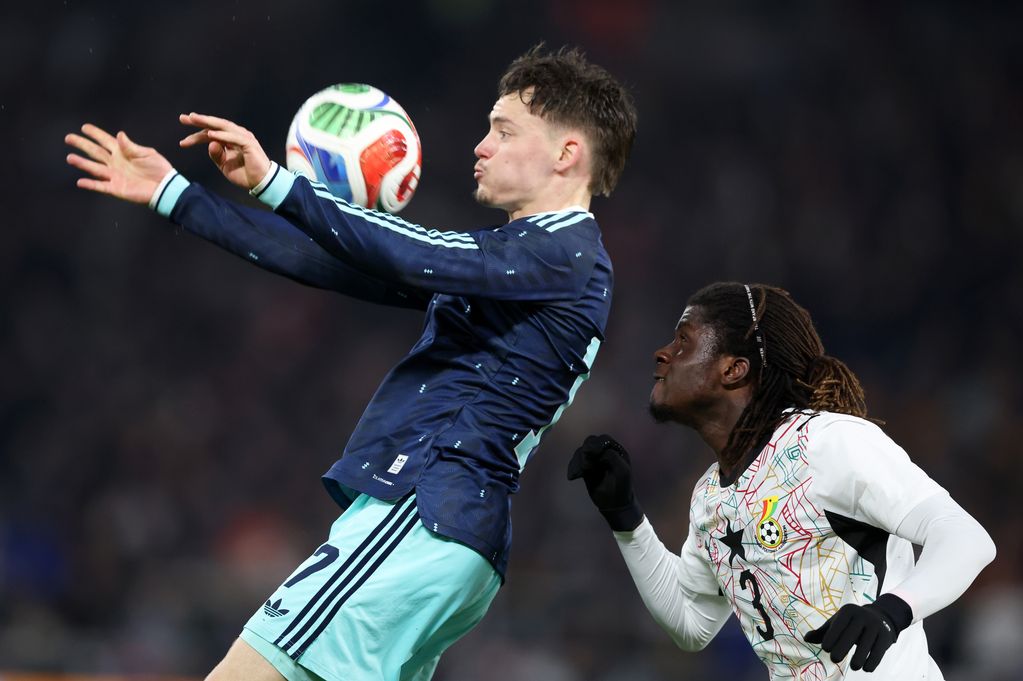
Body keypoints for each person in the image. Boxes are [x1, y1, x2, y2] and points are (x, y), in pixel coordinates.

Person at [65, 45, 637, 681]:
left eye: (504, 131)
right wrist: (179, 195)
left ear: (566, 154)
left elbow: (415, 251)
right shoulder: (534, 263)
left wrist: (277, 183)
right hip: (453, 532)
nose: (481, 146)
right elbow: (331, 264)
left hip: (422, 509)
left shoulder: (563, 250)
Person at [568, 282, 996, 680]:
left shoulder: (826, 443)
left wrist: (893, 611)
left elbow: (966, 538)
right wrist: (625, 516)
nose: (662, 353)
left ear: (733, 369)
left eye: (684, 341)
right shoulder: (711, 496)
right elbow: (691, 624)